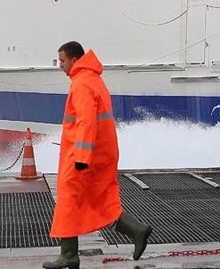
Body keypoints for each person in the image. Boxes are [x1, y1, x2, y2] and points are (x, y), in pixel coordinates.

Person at [43, 41, 153, 269]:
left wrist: (81, 159)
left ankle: (69, 255)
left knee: (68, 198)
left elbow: (86, 122)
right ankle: (137, 231)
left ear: (74, 60)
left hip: (84, 156)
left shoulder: (81, 84)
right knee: (99, 200)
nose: (60, 65)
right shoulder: (93, 79)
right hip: (101, 153)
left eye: (62, 61)